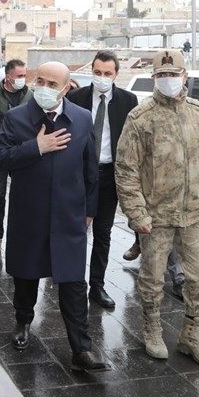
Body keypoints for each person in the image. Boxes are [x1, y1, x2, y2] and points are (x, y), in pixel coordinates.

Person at [0, 61, 110, 373]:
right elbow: (0, 159)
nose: (44, 87)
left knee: (73, 282)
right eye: (39, 80)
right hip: (29, 214)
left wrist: (89, 211)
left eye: (52, 83)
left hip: (69, 215)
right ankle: (23, 321)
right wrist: (37, 147)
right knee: (27, 276)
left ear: (66, 87)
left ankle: (81, 349)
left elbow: (90, 169)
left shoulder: (82, 119)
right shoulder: (16, 118)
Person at [115, 49, 199, 367]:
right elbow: (126, 170)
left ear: (185, 77)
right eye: (161, 75)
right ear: (154, 79)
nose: (168, 80)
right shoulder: (141, 117)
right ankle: (152, 328)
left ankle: (192, 334)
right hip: (156, 216)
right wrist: (136, 213)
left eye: (173, 74)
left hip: (195, 214)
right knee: (152, 278)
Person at [66, 50, 138, 310]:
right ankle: (71, 282)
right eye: (97, 73)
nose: (102, 78)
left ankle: (97, 285)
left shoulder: (128, 101)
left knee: (103, 233)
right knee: (75, 230)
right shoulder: (76, 98)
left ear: (116, 74)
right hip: (79, 174)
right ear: (92, 71)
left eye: (108, 74)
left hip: (109, 174)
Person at [0, 59, 33, 253]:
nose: (22, 79)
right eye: (19, 76)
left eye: (24, 75)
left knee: (24, 196)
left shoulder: (30, 96)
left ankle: (22, 234)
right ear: (8, 77)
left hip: (23, 154)